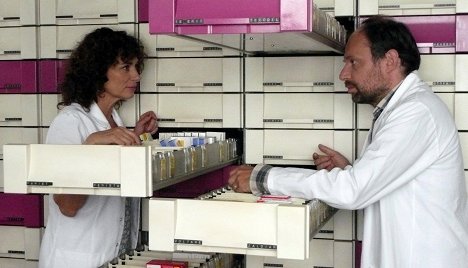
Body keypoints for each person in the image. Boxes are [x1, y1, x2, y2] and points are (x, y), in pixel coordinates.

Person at [229, 16, 468, 267]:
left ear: (390, 61)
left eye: (353, 62)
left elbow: (353, 191)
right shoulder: (400, 109)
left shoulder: (417, 112)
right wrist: (350, 171)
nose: (343, 74)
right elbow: (380, 183)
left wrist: (263, 178)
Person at [38, 27, 158, 268]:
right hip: (77, 259)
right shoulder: (70, 122)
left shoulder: (115, 121)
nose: (136, 76)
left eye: (137, 67)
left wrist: (133, 138)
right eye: (126, 67)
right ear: (98, 71)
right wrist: (91, 145)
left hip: (113, 256)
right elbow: (68, 205)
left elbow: (114, 176)